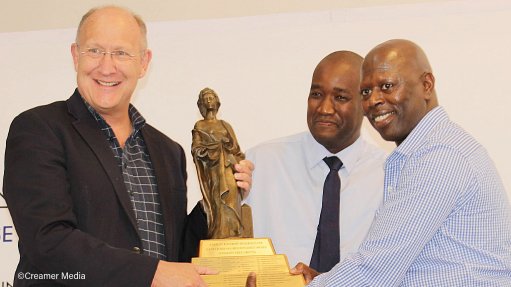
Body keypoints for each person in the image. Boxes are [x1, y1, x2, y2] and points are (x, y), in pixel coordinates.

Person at [3, 6, 253, 287]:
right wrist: (151, 273)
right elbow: (47, 240)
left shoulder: (169, 152)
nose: (107, 66)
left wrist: (218, 199)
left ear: (144, 63)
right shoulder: (39, 129)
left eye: (121, 53)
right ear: (75, 55)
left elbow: (177, 257)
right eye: (95, 51)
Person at [292, 39, 511, 286]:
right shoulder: (421, 153)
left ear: (426, 85)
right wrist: (326, 280)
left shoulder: (440, 156)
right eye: (365, 91)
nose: (373, 100)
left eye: (387, 86)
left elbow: (375, 270)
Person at [244, 51, 387, 268]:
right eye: (317, 94)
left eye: (340, 98)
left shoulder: (388, 175)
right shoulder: (260, 163)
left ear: (365, 104)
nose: (324, 109)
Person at [192, 87, 250, 239]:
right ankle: (219, 235)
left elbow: (237, 150)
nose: (209, 100)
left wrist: (232, 155)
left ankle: (234, 233)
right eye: (206, 98)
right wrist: (215, 149)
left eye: (212, 97)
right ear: (201, 104)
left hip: (228, 168)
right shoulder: (200, 126)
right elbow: (196, 150)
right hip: (213, 171)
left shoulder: (225, 125)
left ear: (217, 101)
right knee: (218, 203)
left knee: (232, 199)